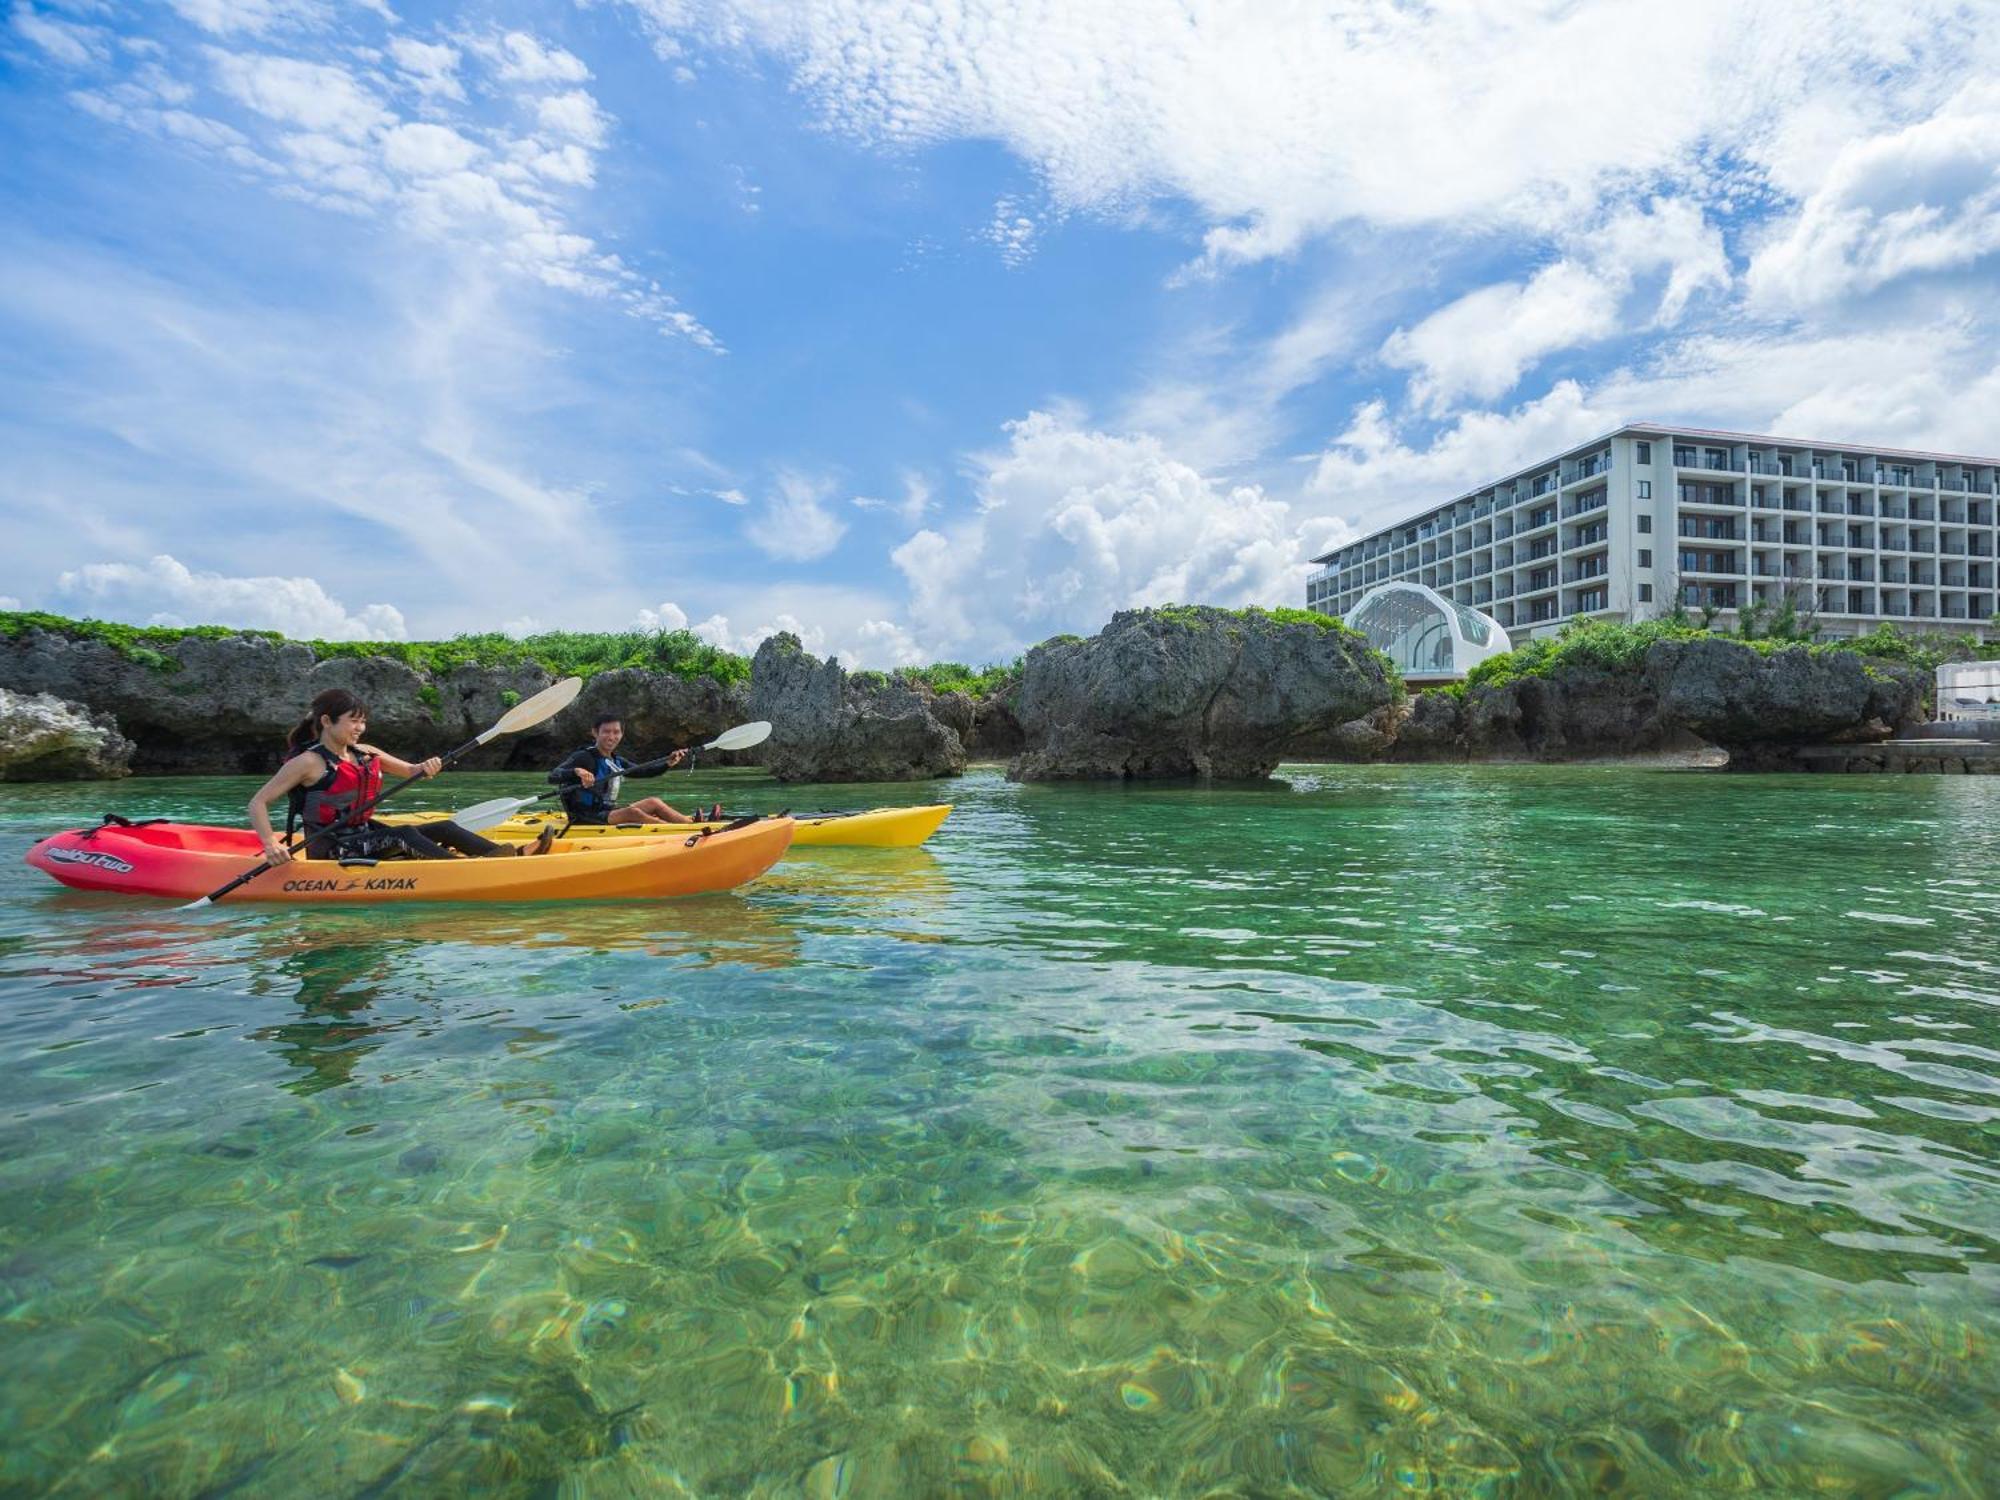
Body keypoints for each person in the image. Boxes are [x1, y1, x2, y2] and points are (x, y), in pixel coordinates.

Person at [249, 688, 558, 864]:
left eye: (363, 722)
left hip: (363, 835)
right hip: (331, 847)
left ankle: (509, 856)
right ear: (327, 722)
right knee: (405, 834)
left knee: (443, 826)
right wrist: (270, 844)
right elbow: (258, 802)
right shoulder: (308, 762)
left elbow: (413, 771)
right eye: (353, 722)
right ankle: (463, 870)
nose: (359, 729)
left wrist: (429, 766)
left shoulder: (366, 752)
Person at [547, 714, 723, 826]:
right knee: (632, 812)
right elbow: (553, 776)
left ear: (622, 734)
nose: (611, 736)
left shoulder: (616, 760)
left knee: (653, 802)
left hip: (605, 811)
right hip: (584, 816)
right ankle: (674, 829)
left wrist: (668, 763)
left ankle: (691, 822)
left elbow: (644, 771)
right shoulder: (583, 757)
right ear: (595, 733)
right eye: (606, 732)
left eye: (616, 732)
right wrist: (576, 772)